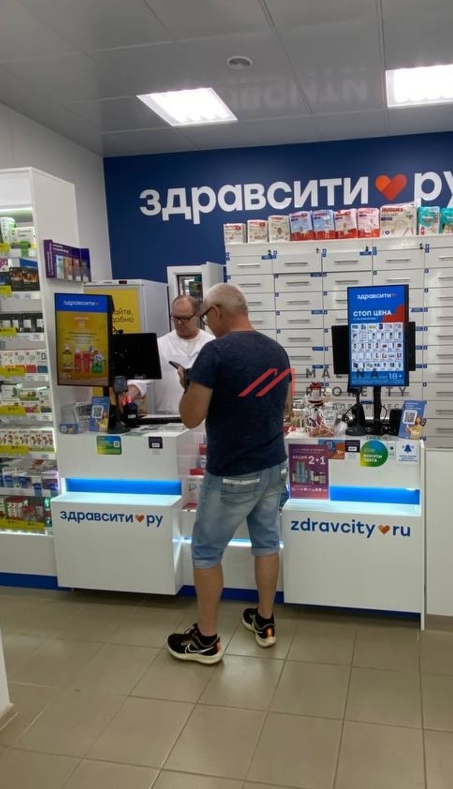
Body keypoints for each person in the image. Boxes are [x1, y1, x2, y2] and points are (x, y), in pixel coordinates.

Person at [166, 284, 291, 664]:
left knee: (205, 552)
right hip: (273, 466)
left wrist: (188, 385)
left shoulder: (215, 353)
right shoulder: (276, 350)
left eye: (204, 316)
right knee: (266, 543)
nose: (205, 323)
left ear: (217, 312)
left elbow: (191, 417)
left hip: (232, 472)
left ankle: (206, 640)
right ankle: (265, 621)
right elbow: (286, 408)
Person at [127, 294, 214, 415]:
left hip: (205, 417)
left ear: (197, 315)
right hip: (168, 417)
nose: (179, 322)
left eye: (185, 318)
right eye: (175, 317)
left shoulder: (212, 344)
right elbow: (140, 380)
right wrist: (128, 394)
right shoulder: (159, 345)